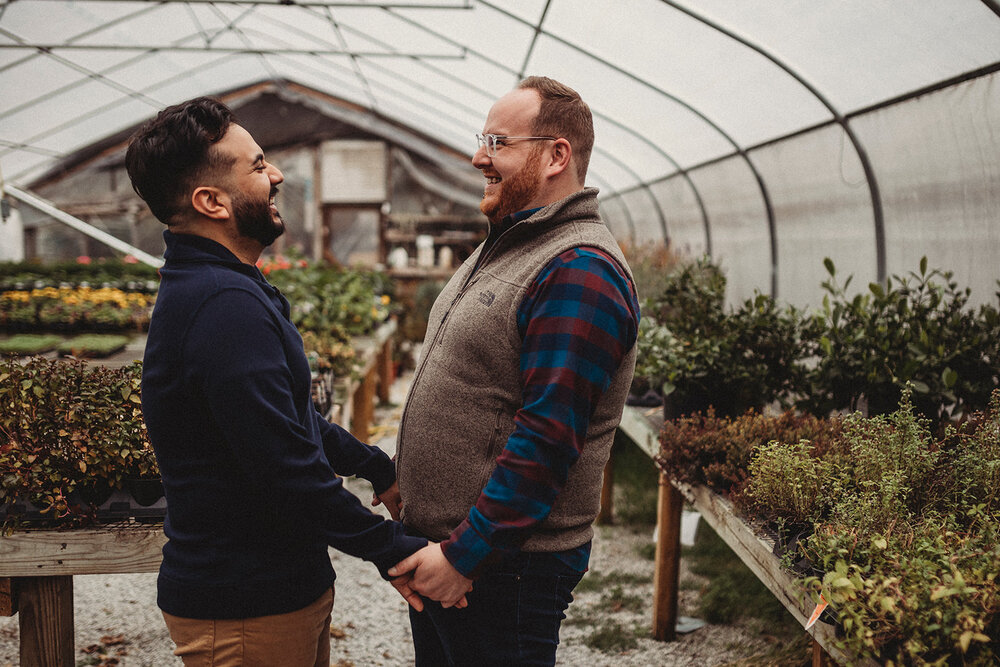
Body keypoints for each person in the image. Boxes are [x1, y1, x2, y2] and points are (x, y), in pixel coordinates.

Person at [126, 96, 439, 667]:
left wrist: (373, 465)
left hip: (271, 593)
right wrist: (395, 550)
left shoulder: (225, 286)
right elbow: (285, 466)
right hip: (244, 603)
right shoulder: (222, 305)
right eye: (257, 164)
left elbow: (288, 420)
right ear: (211, 201)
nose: (276, 176)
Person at [388, 76, 640, 666]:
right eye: (483, 140)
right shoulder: (513, 242)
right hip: (461, 554)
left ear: (557, 155)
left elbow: (549, 433)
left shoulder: (580, 268)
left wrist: (464, 555)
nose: (479, 156)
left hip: (505, 567)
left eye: (498, 142)